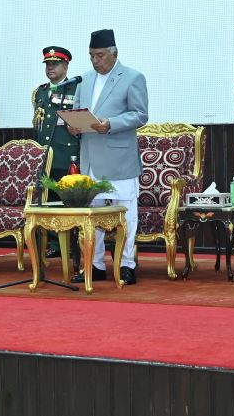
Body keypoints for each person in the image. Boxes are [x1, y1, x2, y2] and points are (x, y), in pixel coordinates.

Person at [68, 29, 148, 285]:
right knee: (93, 213)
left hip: (120, 158)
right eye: (91, 56)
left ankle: (127, 264)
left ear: (114, 54)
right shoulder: (85, 79)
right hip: (91, 157)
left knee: (126, 213)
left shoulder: (133, 77)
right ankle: (96, 264)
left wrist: (110, 123)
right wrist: (73, 125)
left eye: (100, 55)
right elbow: (77, 111)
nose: (95, 61)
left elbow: (140, 114)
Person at [32, 45, 81, 258]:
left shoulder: (75, 90)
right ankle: (54, 244)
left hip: (66, 153)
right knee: (48, 199)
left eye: (55, 64)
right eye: (48, 64)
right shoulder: (41, 92)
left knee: (69, 201)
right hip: (45, 155)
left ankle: (73, 245)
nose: (51, 68)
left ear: (66, 65)